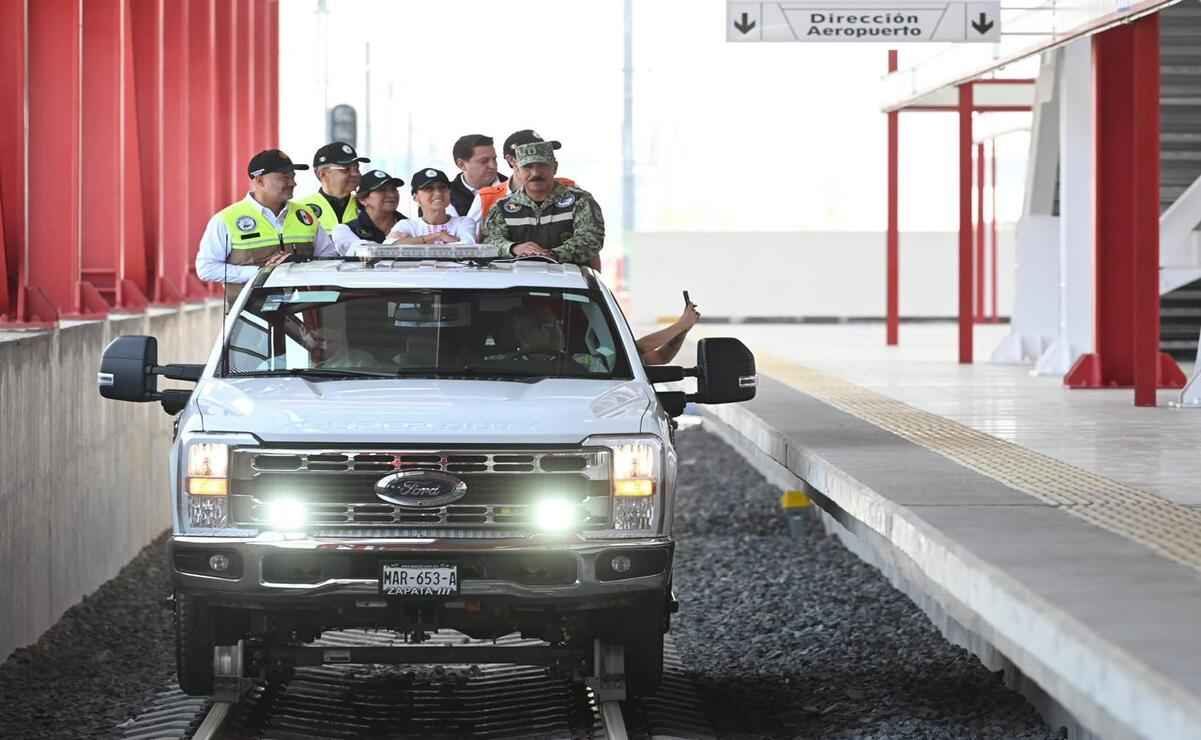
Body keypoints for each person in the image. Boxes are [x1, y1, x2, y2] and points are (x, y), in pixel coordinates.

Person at [196, 149, 335, 309]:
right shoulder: (226, 219)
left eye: (293, 177)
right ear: (260, 180)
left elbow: (329, 258)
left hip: (303, 313)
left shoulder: (306, 215)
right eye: (284, 178)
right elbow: (206, 268)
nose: (292, 183)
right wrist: (261, 272)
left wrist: (300, 264)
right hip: (251, 316)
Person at [482, 142, 603, 265]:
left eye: (542, 165)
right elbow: (489, 241)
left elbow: (592, 239)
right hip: (517, 276)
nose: (535, 173)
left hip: (568, 276)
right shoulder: (502, 207)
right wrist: (513, 248)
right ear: (517, 171)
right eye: (527, 167)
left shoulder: (580, 200)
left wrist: (553, 254)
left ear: (555, 167)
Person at [475, 130, 576, 226]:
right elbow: (470, 236)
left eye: (544, 151)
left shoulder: (570, 188)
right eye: (531, 154)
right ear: (511, 160)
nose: (536, 171)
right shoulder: (486, 198)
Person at [387, 168, 478, 245]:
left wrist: (412, 241)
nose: (438, 193)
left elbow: (468, 247)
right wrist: (439, 236)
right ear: (415, 197)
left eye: (443, 188)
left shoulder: (463, 223)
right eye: (429, 189)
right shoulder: (407, 225)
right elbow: (388, 247)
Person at [296, 142, 370, 232]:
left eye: (356, 168)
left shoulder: (368, 206)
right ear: (323, 174)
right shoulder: (301, 210)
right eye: (346, 169)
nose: (355, 174)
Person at [331, 169, 408, 253]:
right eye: (381, 190)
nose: (391, 194)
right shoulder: (346, 230)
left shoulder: (412, 226)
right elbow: (359, 249)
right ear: (362, 199)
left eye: (393, 189)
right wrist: (397, 243)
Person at [448, 134, 506, 222]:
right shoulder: (445, 196)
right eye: (484, 161)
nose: (493, 166)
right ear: (462, 164)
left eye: (494, 159)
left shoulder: (512, 188)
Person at [637, 302, 701, 365]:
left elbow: (662, 357)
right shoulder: (632, 351)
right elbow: (641, 347)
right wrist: (682, 324)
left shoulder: (632, 356)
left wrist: (683, 331)